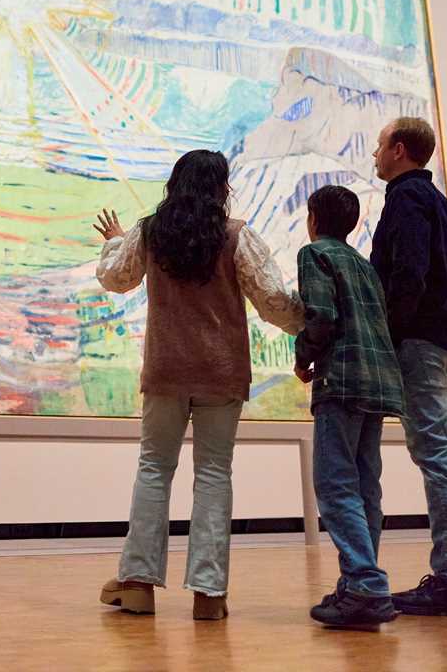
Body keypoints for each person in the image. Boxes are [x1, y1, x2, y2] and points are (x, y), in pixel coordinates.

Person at [94, 149, 304, 620]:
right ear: (221, 188)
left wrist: (114, 242)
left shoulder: (150, 232)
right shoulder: (236, 236)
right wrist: (312, 326)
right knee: (213, 475)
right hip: (222, 372)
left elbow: (114, 278)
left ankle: (137, 582)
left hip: (167, 370)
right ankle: (209, 594)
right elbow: (272, 300)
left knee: (153, 469)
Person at [370, 117, 447, 617]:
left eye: (380, 146)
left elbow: (408, 272)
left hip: (421, 342)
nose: (375, 154)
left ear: (399, 150)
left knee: (438, 457)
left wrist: (393, 330)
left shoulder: (405, 200)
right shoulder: (441, 203)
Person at [293, 185, 404, 627]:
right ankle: (359, 581)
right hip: (379, 385)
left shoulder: (314, 253)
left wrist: (303, 356)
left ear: (314, 218)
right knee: (364, 485)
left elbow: (320, 315)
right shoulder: (365, 264)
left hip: (340, 380)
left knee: (336, 484)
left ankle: (365, 585)